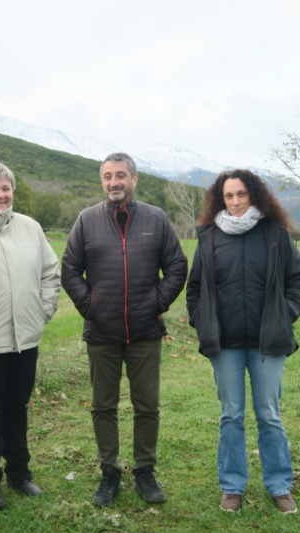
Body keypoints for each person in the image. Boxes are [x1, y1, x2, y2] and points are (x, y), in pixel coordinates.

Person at [61, 152, 187, 507]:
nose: (113, 182)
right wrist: (91, 307)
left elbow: (177, 265)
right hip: (102, 333)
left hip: (145, 333)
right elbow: (70, 269)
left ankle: (145, 471)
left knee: (147, 405)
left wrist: (156, 304)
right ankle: (109, 472)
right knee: (103, 405)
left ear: (134, 179)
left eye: (120, 175)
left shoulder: (156, 219)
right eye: (107, 176)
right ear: (102, 181)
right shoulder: (87, 220)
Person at [186, 169, 300, 514]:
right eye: (229, 196)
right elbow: (195, 289)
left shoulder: (273, 234)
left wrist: (283, 315)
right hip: (224, 345)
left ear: (253, 195)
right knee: (231, 415)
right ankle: (232, 487)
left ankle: (279, 486)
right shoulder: (209, 237)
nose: (236, 201)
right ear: (220, 200)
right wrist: (202, 320)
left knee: (269, 414)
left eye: (241, 194)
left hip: (267, 342)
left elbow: (299, 282)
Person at [0, 161, 60, 510]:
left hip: (26, 338)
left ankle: (20, 474)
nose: (1, 194)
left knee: (16, 407)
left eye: (6, 188)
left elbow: (50, 272)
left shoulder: (30, 228)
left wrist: (44, 309)